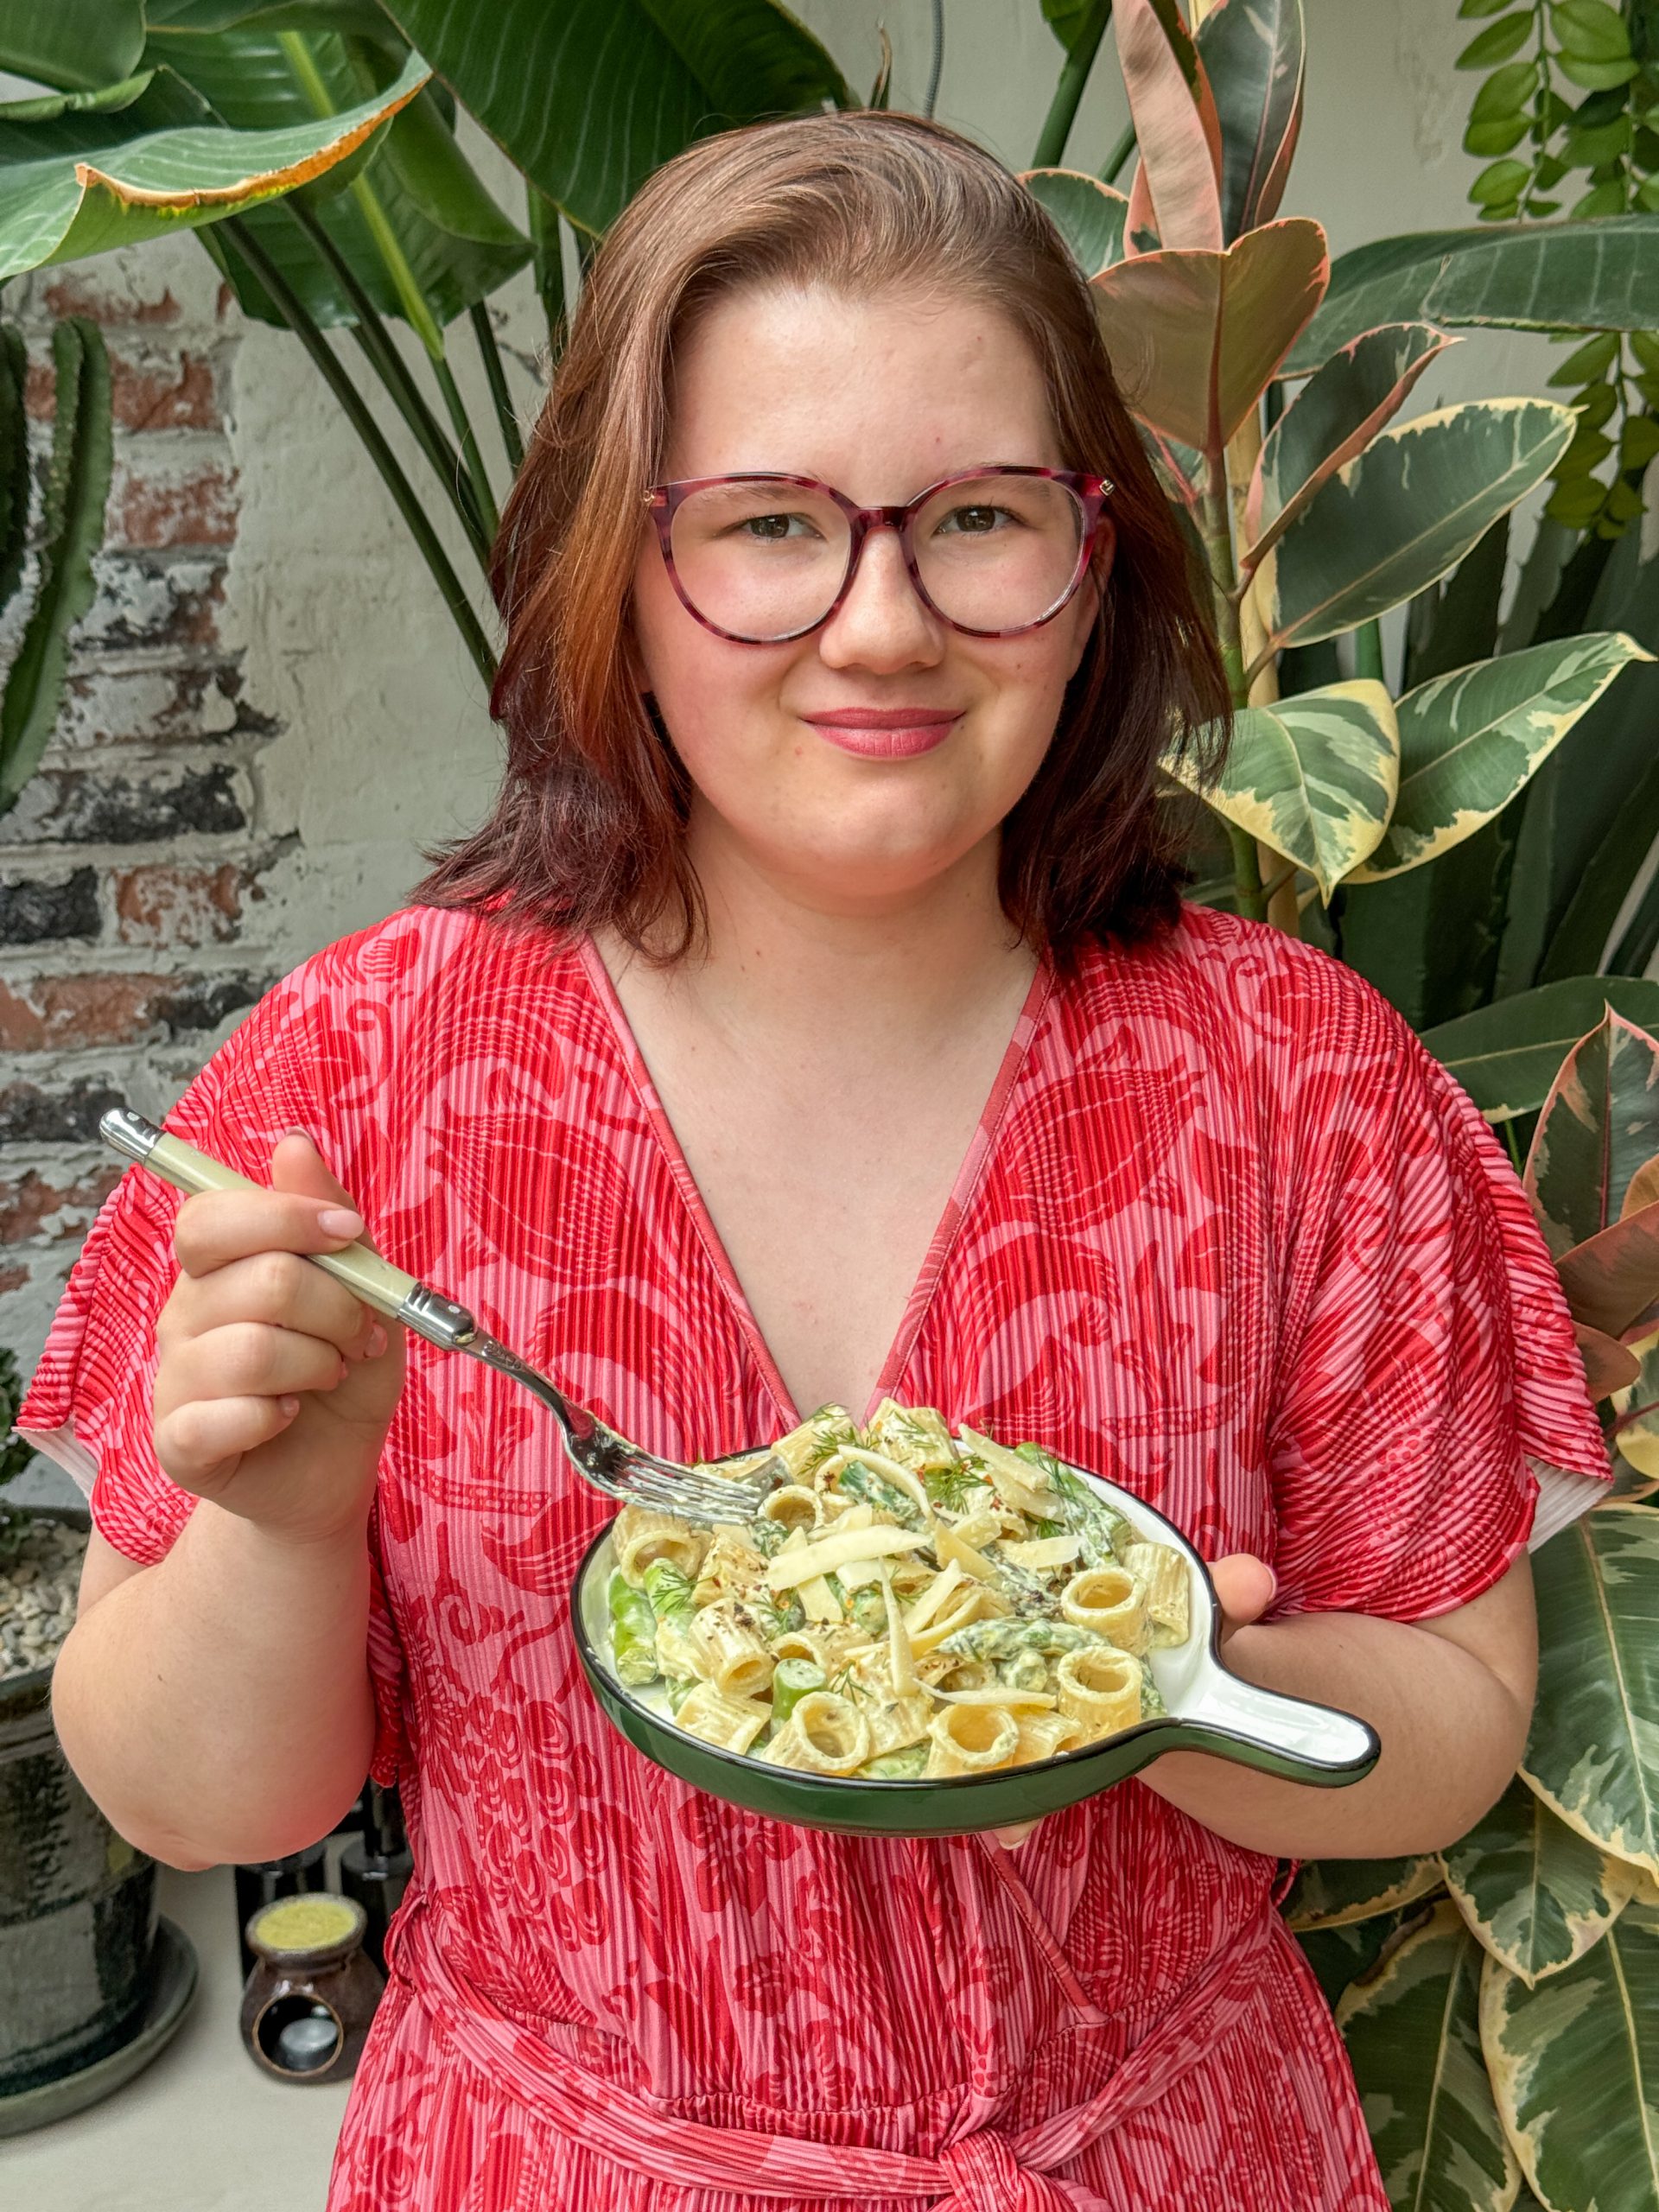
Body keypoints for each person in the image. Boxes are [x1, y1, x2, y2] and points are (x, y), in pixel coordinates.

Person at [18, 112, 1609, 2212]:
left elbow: (1456, 1723)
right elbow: (189, 1792)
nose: (880, 626)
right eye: (770, 523)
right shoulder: (359, 1080)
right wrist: (289, 1527)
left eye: (976, 516)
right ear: (621, 560)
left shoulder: (1300, 1082)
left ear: (1092, 556)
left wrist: (1167, 1689)